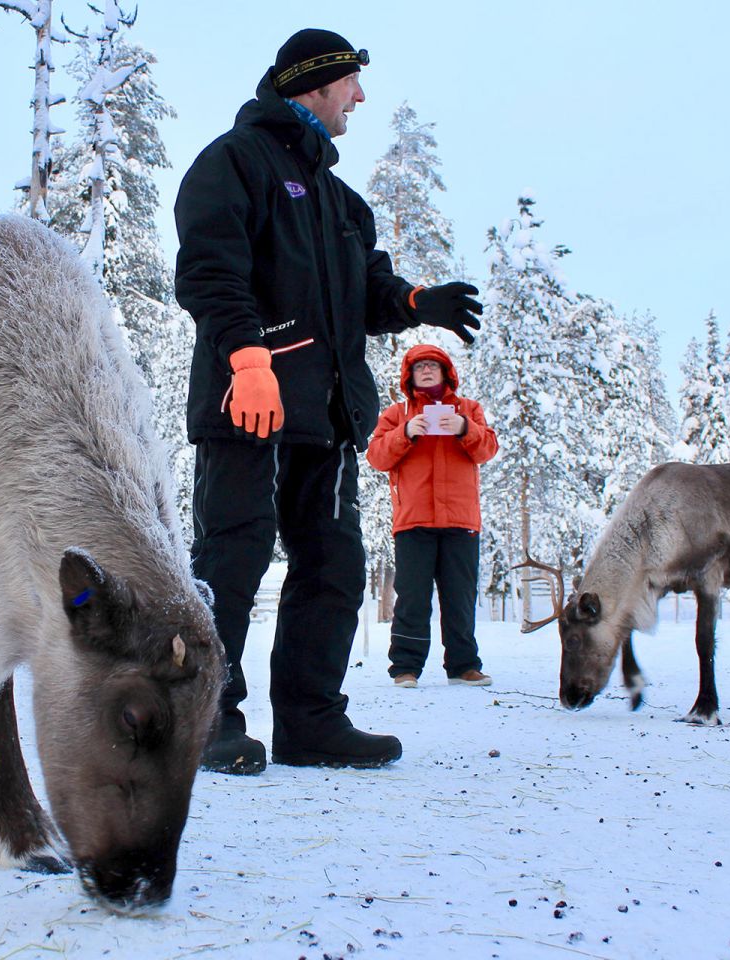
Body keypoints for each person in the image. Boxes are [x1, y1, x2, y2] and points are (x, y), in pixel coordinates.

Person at [174, 28, 483, 775]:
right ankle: (205, 718)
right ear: (315, 83)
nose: (360, 98)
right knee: (233, 557)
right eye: (351, 83)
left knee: (334, 566)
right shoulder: (234, 162)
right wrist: (248, 361)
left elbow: (364, 294)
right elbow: (210, 272)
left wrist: (415, 300)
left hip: (327, 416)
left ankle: (311, 721)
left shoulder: (342, 202)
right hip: (250, 403)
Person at [366, 344, 498, 689]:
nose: (426, 370)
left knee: (460, 597)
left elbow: (488, 449)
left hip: (461, 522)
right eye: (419, 366)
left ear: (446, 373)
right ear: (410, 376)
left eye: (433, 366)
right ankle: (405, 668)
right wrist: (406, 433)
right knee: (412, 598)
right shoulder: (398, 414)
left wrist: (463, 427)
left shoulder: (469, 410)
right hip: (413, 522)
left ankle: (464, 666)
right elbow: (376, 457)